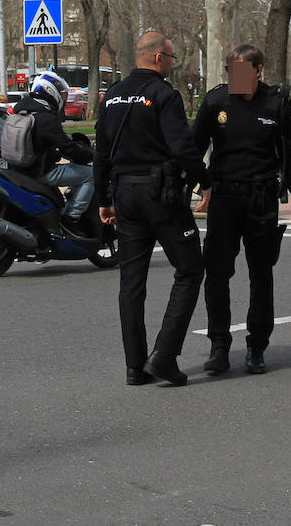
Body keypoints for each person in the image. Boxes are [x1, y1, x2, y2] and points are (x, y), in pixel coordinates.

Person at [94, 32, 210, 387]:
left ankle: (134, 366)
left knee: (131, 281)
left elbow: (100, 153)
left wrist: (103, 200)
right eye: (172, 58)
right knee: (190, 269)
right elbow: (182, 147)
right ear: (159, 58)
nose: (173, 65)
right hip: (161, 195)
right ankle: (164, 355)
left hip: (124, 193)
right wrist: (205, 181)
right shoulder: (164, 94)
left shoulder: (111, 95)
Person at [192, 44, 291, 376]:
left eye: (243, 71)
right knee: (217, 274)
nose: (236, 78)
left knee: (261, 273)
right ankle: (219, 346)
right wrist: (201, 184)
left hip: (261, 197)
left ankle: (256, 346)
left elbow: (290, 153)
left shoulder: (276, 102)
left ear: (258, 70)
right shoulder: (216, 101)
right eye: (231, 71)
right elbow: (193, 148)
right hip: (224, 197)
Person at [12, 70, 95, 230]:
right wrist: (91, 155)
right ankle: (72, 218)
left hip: (17, 171)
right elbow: (67, 147)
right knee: (91, 175)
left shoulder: (19, 111)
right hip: (40, 172)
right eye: (62, 95)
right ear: (51, 91)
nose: (63, 99)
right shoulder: (46, 118)